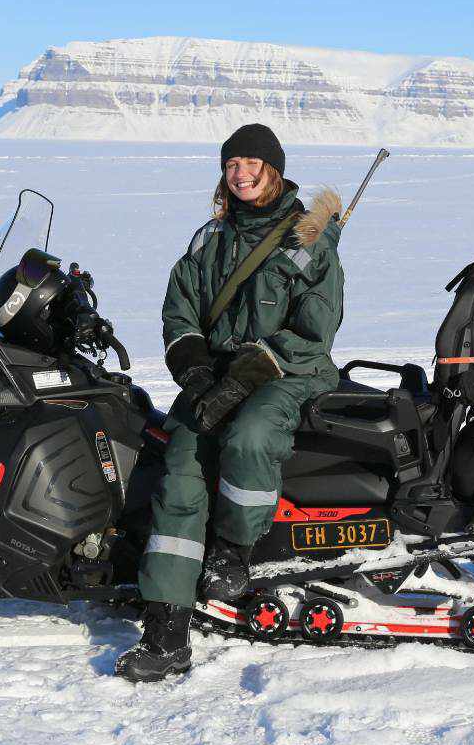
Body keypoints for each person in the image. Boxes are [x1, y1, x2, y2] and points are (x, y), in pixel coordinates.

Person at [115, 123, 344, 682]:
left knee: (249, 436)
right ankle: (167, 628)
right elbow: (180, 308)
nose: (241, 173)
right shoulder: (209, 238)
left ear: (274, 170)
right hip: (216, 375)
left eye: (252, 163)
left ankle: (233, 552)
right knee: (182, 464)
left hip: (290, 372)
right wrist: (194, 368)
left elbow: (317, 330)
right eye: (232, 163)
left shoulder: (306, 240)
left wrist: (249, 373)